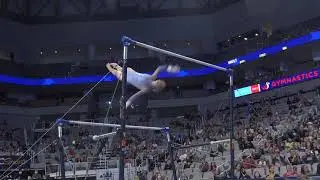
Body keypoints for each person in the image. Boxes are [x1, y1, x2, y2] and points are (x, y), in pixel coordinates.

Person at [106, 63, 180, 108]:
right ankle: (112, 64)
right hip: (130, 71)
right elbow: (160, 68)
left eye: (159, 83)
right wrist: (170, 68)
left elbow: (134, 96)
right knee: (117, 67)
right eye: (159, 81)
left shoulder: (147, 89)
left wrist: (126, 104)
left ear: (157, 87)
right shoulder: (152, 78)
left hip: (125, 77)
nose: (158, 81)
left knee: (113, 69)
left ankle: (108, 65)